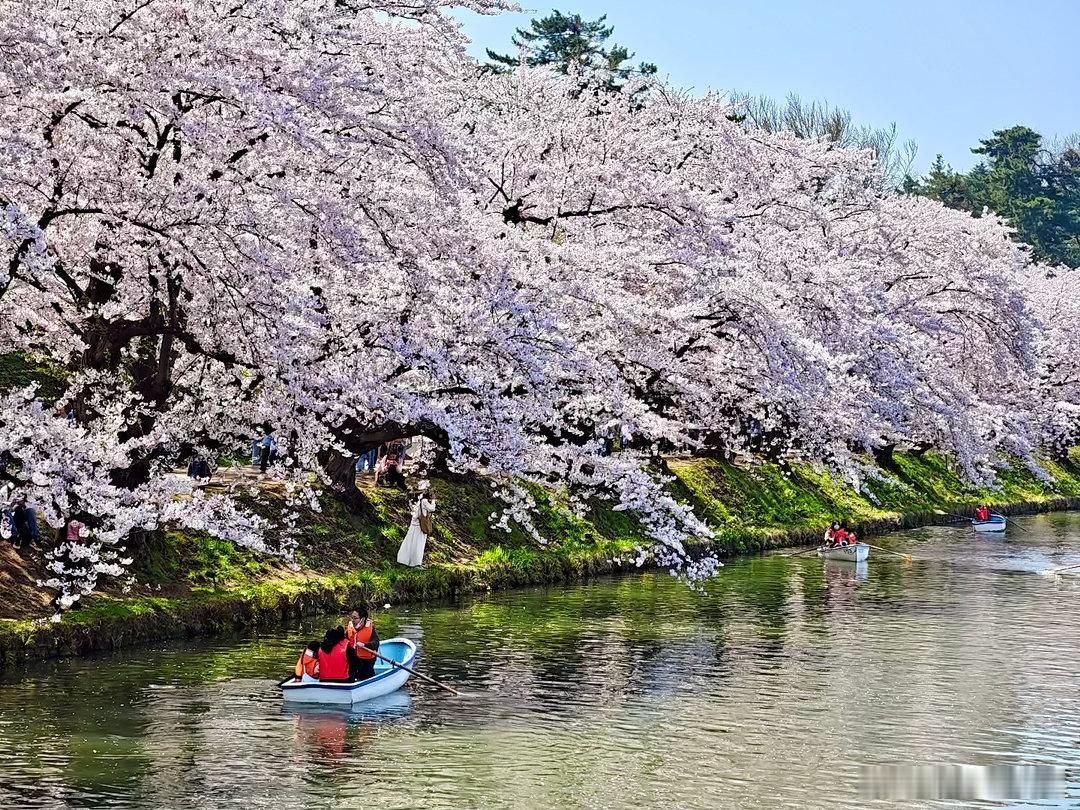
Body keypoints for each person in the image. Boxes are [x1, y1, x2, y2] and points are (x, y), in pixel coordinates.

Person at [397, 483, 436, 567]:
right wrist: (433, 500)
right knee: (419, 544)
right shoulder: (424, 501)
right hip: (420, 526)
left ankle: (404, 560)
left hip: (413, 525)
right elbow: (432, 509)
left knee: (410, 543)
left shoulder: (412, 500)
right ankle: (416, 563)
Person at [345, 606, 380, 681]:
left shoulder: (371, 629)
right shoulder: (350, 628)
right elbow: (343, 640)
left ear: (362, 619)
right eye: (352, 618)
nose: (353, 620)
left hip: (366, 661)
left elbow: (376, 643)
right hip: (353, 659)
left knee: (365, 675)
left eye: (355, 618)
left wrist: (364, 645)